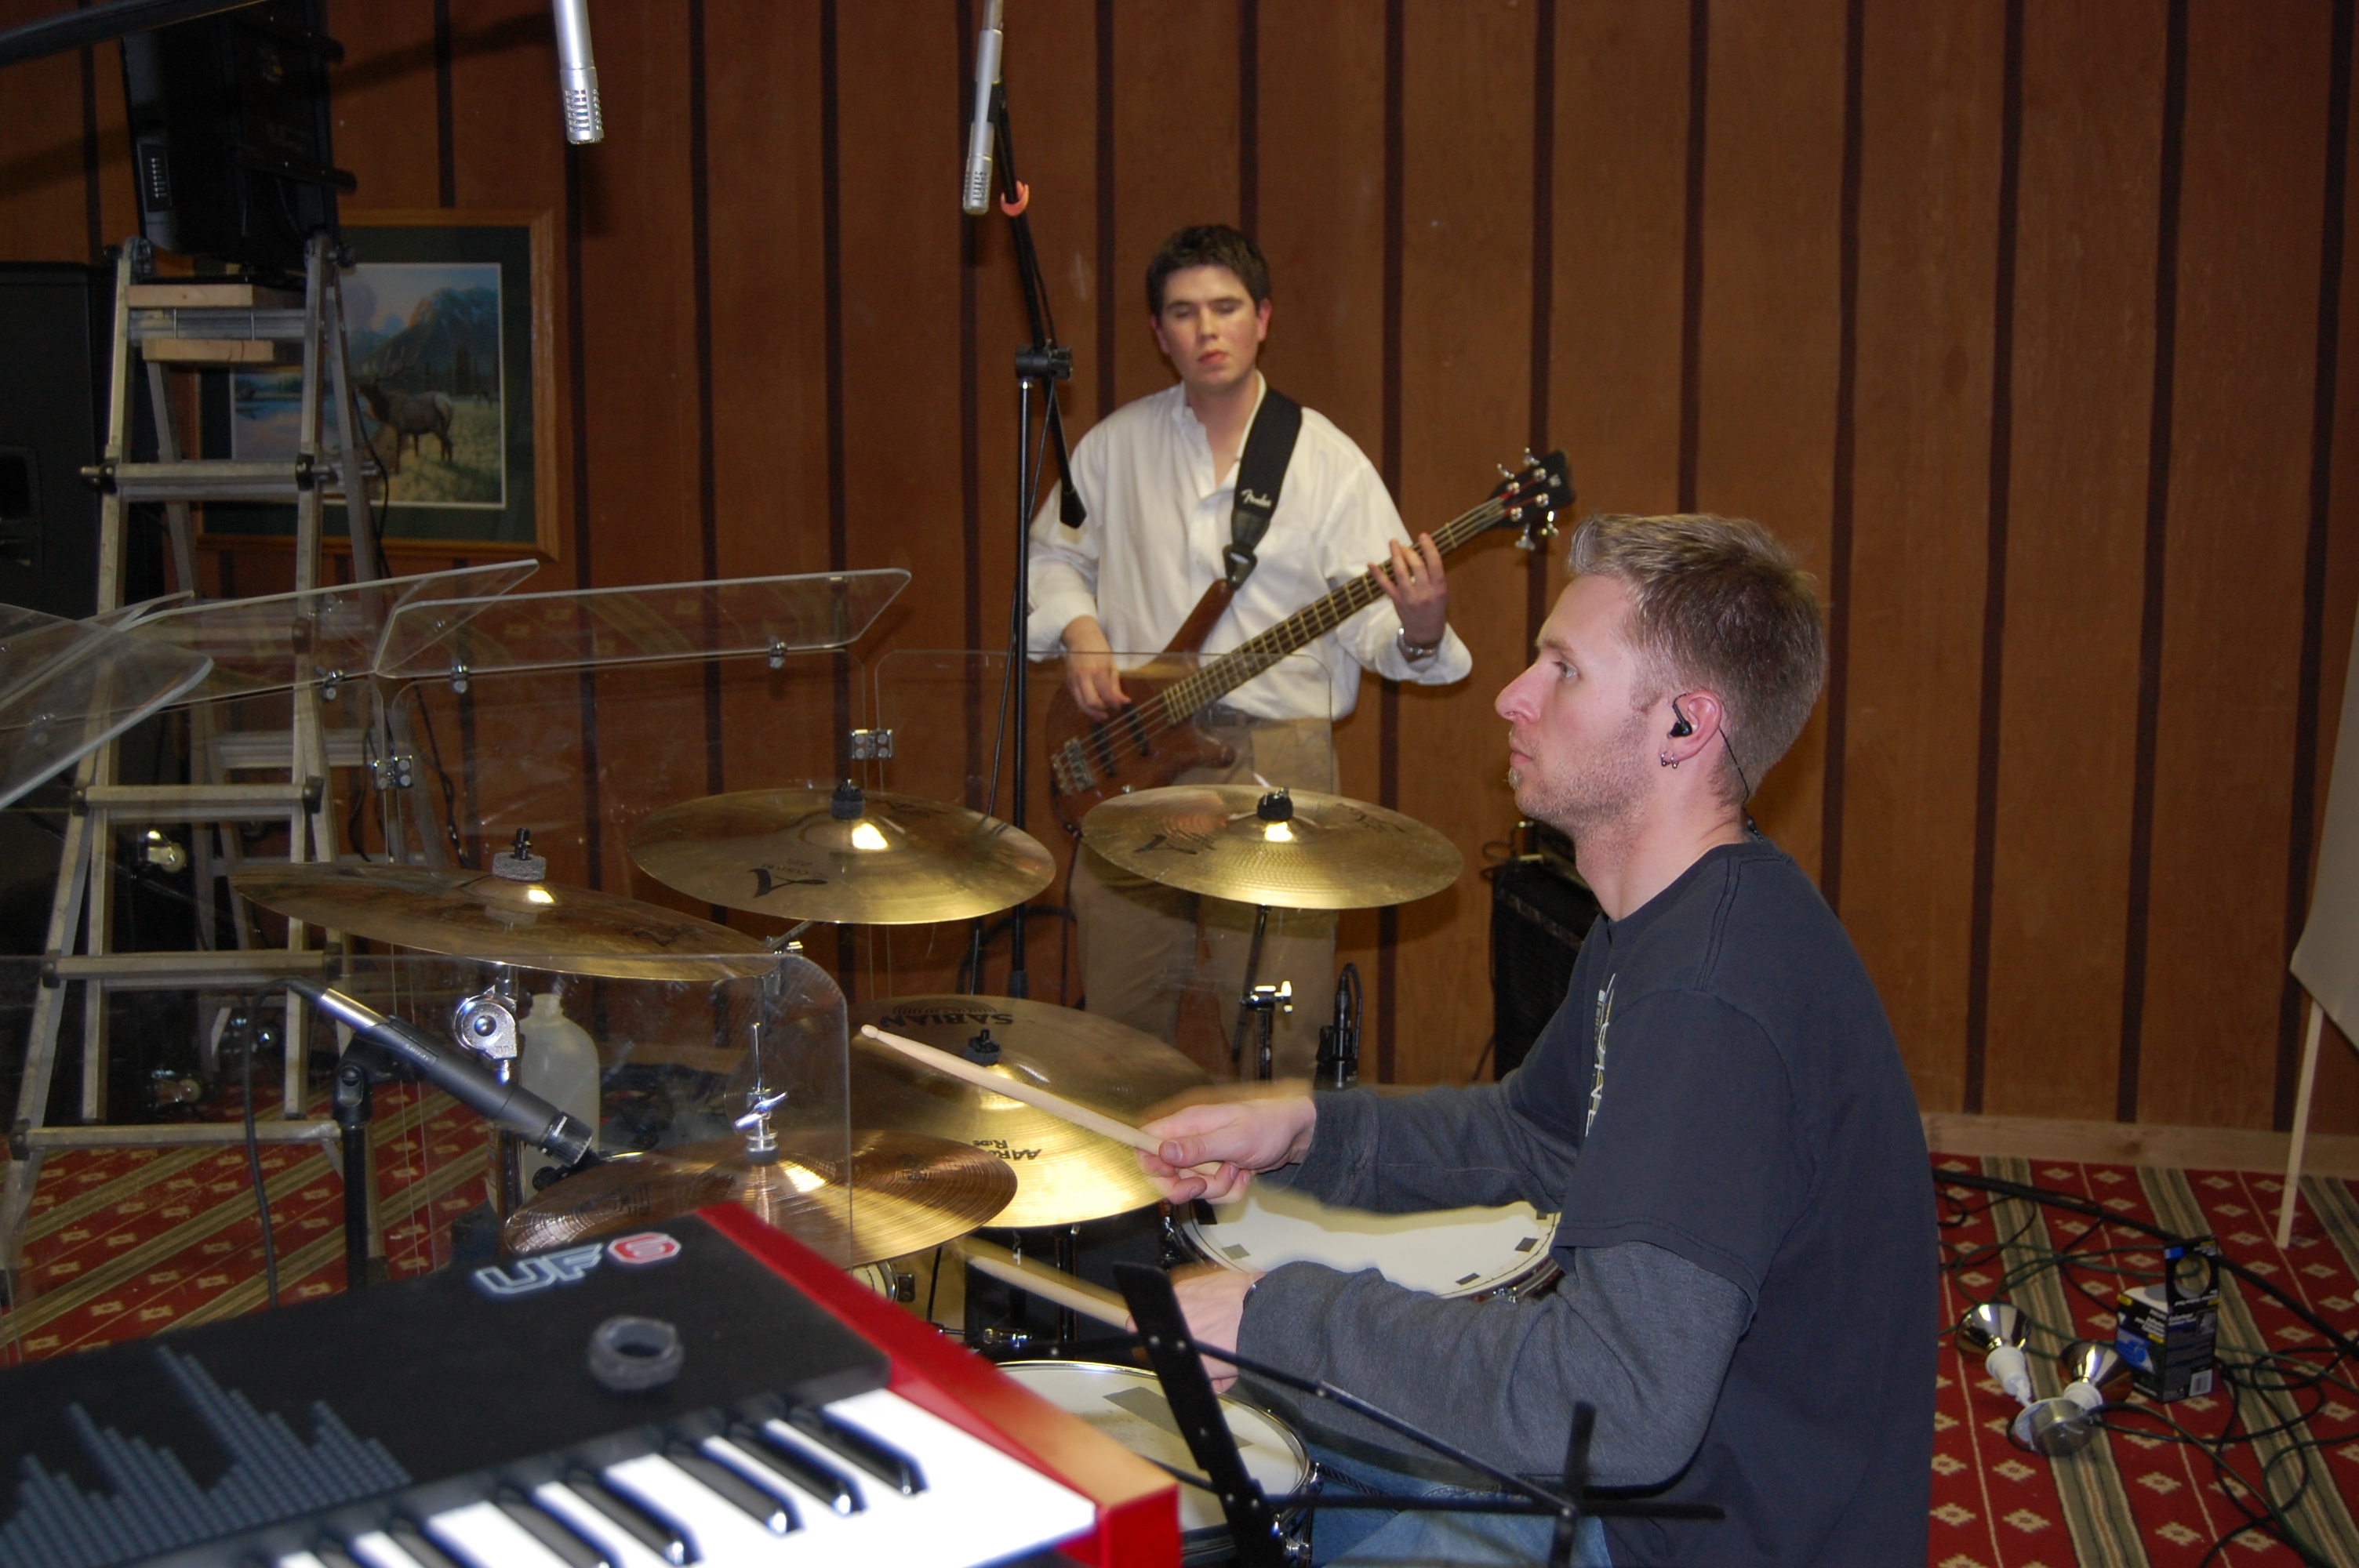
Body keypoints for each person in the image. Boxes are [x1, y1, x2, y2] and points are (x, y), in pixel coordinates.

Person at [1139, 513, 1936, 1566]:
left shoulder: (1710, 1000)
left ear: (1684, 726)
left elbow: (1618, 1398)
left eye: (1562, 669)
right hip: (1655, 1496)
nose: (1512, 695)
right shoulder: (1661, 921)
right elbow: (1536, 1130)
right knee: (1273, 1476)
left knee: (1256, 1487)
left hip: (1699, 1539)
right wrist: (1304, 1129)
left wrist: (1271, 1316)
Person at [1028, 224, 1471, 1076]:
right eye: (1183, 312)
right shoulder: (1112, 447)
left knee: (1278, 1020)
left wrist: (1419, 626)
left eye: (1226, 307)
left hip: (1279, 757)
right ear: (1158, 331)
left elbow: (1375, 629)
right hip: (1132, 747)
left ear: (1263, 318)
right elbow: (1053, 557)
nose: (1207, 329)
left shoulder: (1327, 462)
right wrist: (1081, 630)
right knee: (1120, 1006)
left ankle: (1275, 1161)